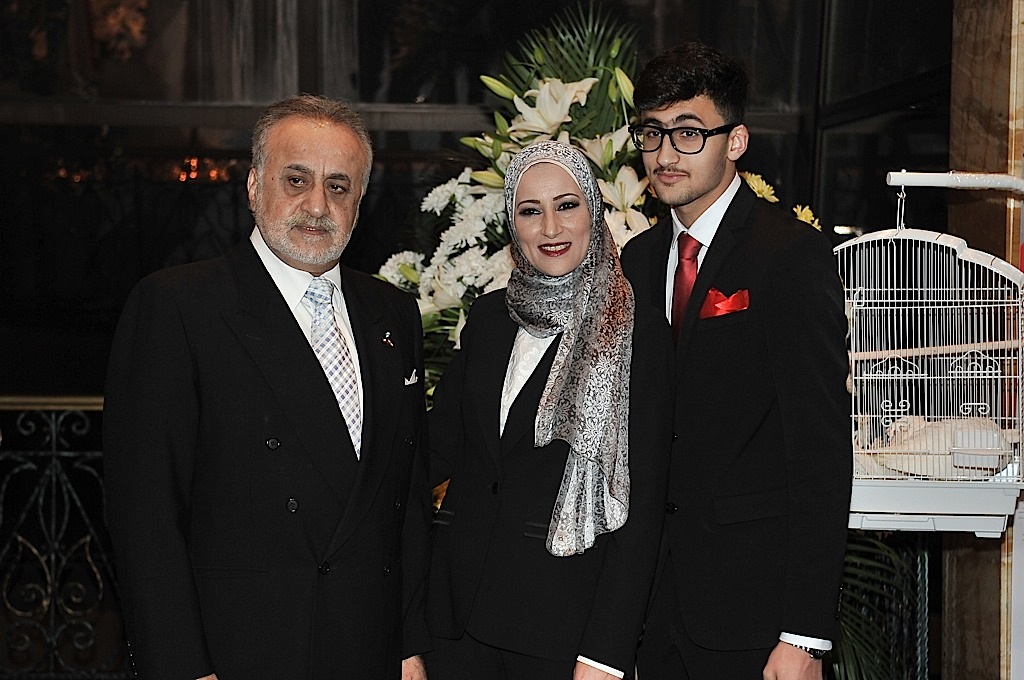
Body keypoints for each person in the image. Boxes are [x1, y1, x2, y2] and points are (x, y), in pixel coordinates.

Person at [103, 94, 432, 680]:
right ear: (255, 187)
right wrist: (182, 667)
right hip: (241, 652)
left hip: (368, 647)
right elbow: (145, 514)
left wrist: (409, 646)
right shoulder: (179, 306)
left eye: (338, 186)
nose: (317, 205)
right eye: (296, 180)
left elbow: (403, 502)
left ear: (360, 202)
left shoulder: (393, 314)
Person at [620, 43, 852, 680]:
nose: (666, 155)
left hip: (755, 612)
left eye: (689, 133)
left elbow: (821, 453)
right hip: (652, 610)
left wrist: (805, 634)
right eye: (652, 133)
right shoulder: (638, 262)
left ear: (737, 141)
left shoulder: (789, 255)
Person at [424, 140, 674, 680]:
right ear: (512, 225)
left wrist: (605, 654)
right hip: (455, 619)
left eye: (566, 205)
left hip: (562, 629)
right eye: (530, 211)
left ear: (594, 211)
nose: (550, 228)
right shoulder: (489, 318)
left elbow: (643, 505)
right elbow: (435, 449)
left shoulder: (638, 333)